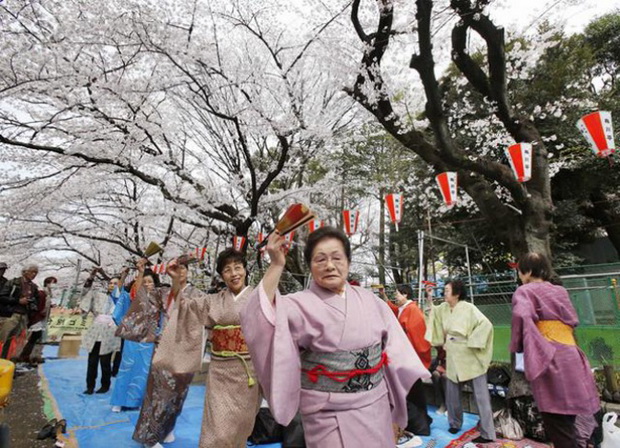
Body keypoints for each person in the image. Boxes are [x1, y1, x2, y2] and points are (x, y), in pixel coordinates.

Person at [240, 227, 430, 448]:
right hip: (327, 414)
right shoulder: (297, 304)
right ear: (310, 266)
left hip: (376, 408)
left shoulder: (372, 301)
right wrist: (277, 264)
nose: (329, 265)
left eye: (337, 258)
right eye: (320, 259)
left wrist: (394, 411)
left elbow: (395, 357)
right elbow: (256, 318)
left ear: (348, 262)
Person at [118, 249, 260, 448]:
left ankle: (167, 429)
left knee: (241, 426)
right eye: (227, 269)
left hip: (248, 371)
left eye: (238, 267)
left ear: (245, 270)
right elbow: (183, 308)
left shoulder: (259, 297)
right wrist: (172, 282)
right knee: (215, 427)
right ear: (221, 275)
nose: (234, 273)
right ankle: (151, 436)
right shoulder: (211, 300)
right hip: (215, 368)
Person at [510, 252, 600, 448]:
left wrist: (518, 345)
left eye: (520, 271)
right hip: (572, 354)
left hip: (550, 358)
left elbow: (521, 318)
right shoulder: (560, 291)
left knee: (557, 423)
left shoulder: (524, 292)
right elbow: (572, 320)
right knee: (570, 419)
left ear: (527, 271)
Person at [425, 279, 496, 444]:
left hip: (469, 354)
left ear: (457, 293)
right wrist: (429, 297)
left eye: (447, 290)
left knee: (481, 395)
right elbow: (433, 314)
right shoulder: (443, 308)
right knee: (452, 392)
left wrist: (473, 342)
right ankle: (455, 423)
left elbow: (486, 325)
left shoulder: (469, 308)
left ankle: (487, 432)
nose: (444, 293)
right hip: (453, 355)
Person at [382, 285, 433, 436]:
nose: (395, 297)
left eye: (397, 294)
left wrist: (414, 359)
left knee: (413, 393)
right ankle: (421, 422)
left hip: (410, 359)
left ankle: (421, 425)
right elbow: (392, 309)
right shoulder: (404, 309)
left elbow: (419, 340)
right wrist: (383, 295)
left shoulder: (413, 311)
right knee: (412, 393)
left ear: (405, 294)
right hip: (405, 358)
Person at [110, 267, 155, 412]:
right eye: (144, 282)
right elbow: (118, 300)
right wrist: (137, 273)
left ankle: (139, 401)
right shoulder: (132, 298)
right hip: (133, 338)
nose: (147, 284)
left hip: (149, 340)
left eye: (150, 282)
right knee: (126, 368)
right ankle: (119, 400)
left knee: (144, 371)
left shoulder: (158, 299)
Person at [80, 267, 121, 394]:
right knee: (92, 360)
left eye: (115, 283)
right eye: (110, 283)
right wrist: (92, 276)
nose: (112, 286)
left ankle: (105, 384)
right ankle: (90, 385)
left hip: (110, 331)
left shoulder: (122, 299)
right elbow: (85, 292)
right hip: (96, 330)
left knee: (106, 360)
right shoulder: (99, 295)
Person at [0, 265, 39, 360]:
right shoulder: (13, 283)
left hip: (24, 316)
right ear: (25, 272)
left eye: (36, 272)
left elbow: (36, 301)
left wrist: (32, 304)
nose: (34, 274)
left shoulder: (34, 287)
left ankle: (7, 362)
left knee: (15, 341)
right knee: (3, 339)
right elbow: (1, 297)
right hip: (11, 314)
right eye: (32, 272)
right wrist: (18, 301)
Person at [19, 276, 57, 363]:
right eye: (52, 283)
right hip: (37, 318)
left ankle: (27, 355)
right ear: (47, 283)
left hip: (41, 318)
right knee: (35, 336)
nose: (54, 285)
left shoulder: (48, 294)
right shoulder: (41, 293)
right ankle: (25, 356)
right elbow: (37, 305)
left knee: (36, 337)